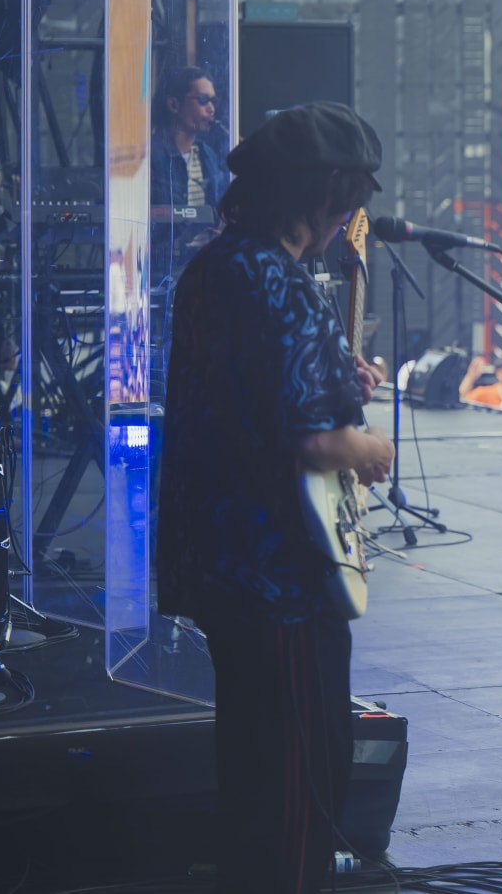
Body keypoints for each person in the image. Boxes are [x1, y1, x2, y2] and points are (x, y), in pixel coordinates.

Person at [157, 103, 394, 894]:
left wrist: (336, 373)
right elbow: (313, 442)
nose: (346, 221)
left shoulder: (216, 268)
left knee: (255, 773)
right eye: (346, 202)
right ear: (323, 196)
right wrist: (370, 448)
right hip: (280, 576)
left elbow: (252, 394)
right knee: (299, 784)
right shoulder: (279, 280)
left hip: (221, 564)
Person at [150, 66, 229, 273]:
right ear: (174, 105)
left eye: (213, 101)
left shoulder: (208, 155)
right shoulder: (151, 157)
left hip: (205, 265)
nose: (211, 109)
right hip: (164, 269)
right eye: (203, 100)